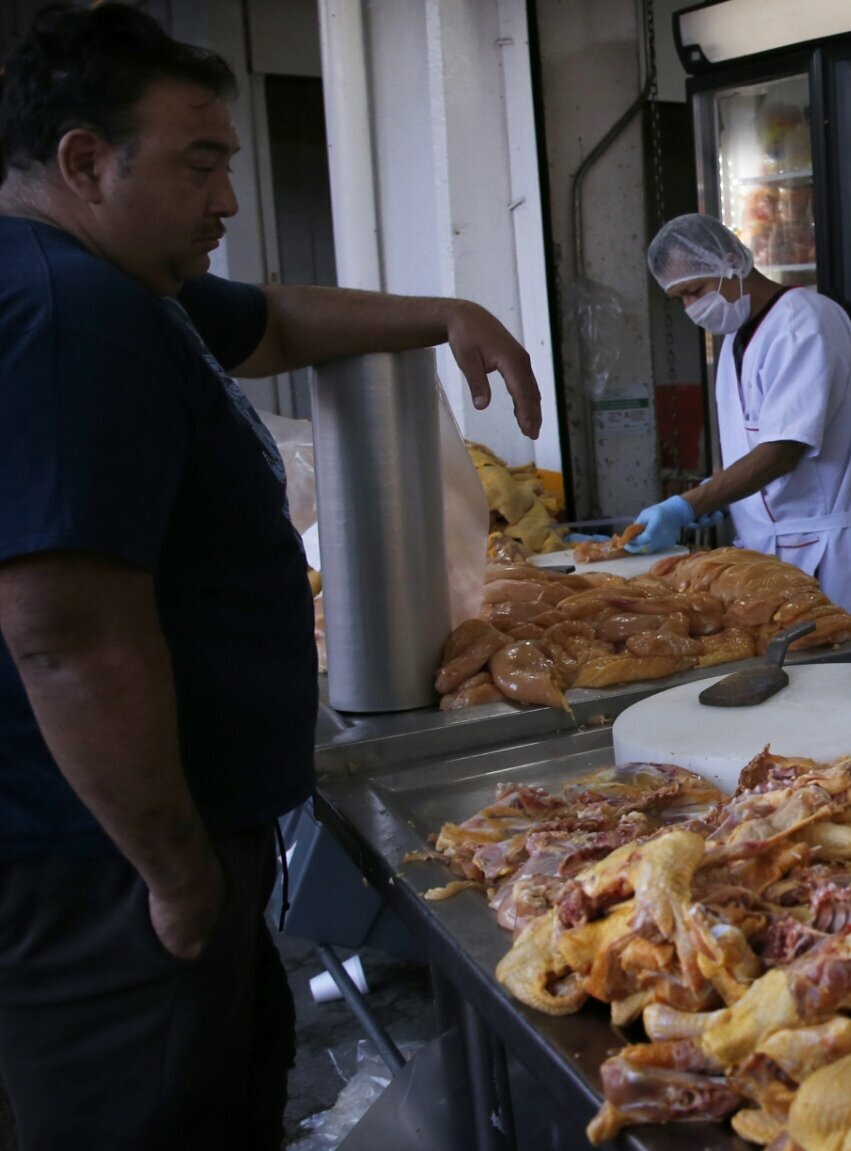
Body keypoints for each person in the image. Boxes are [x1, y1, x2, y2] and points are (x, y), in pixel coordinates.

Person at [0, 7, 540, 1148]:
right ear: (85, 163)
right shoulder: (65, 313)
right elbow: (66, 633)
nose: (228, 202)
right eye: (201, 165)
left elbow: (281, 320)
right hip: (101, 868)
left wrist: (448, 312)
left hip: (144, 847)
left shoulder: (126, 290)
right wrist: (176, 866)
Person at [637, 214, 851, 631]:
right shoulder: (735, 342)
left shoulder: (804, 322)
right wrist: (722, 494)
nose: (692, 308)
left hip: (835, 556)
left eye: (695, 291)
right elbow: (753, 443)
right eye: (680, 300)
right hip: (772, 555)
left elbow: (783, 451)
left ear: (731, 262)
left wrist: (690, 503)